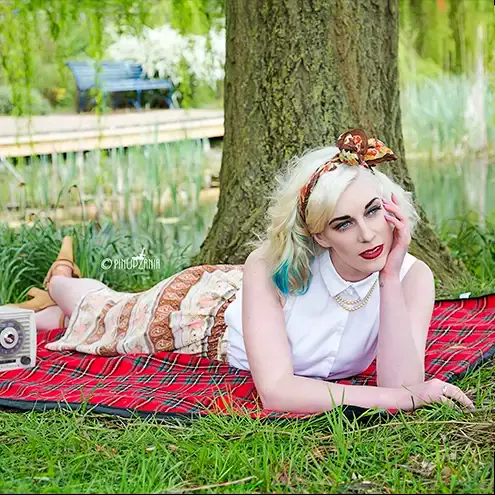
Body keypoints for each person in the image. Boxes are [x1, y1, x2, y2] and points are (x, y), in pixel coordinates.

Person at [9, 128, 475, 414]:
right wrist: (404, 398)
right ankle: (61, 282)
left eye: (373, 211)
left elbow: (399, 382)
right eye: (344, 223)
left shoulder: (412, 277)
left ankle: (53, 310)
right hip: (197, 316)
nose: (369, 235)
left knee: (82, 319)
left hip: (244, 302)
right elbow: (276, 391)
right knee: (106, 311)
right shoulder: (268, 266)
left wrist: (388, 278)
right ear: (319, 236)